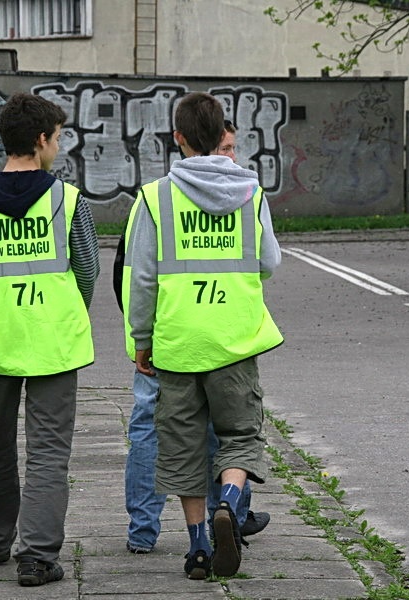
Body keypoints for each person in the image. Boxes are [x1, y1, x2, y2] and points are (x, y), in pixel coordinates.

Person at [125, 92, 283, 579]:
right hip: (234, 340)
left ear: (178, 139)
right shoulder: (251, 193)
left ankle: (196, 547)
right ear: (221, 139)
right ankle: (231, 505)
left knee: (183, 447)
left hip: (177, 344)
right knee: (238, 435)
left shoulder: (154, 198)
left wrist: (141, 339)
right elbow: (269, 262)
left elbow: (143, 278)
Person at [0, 92, 100, 587]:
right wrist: (65, 308)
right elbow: (89, 270)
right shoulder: (67, 199)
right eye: (57, 138)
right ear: (40, 140)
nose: (58, 147)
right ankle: (36, 557)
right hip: (53, 342)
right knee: (49, 451)